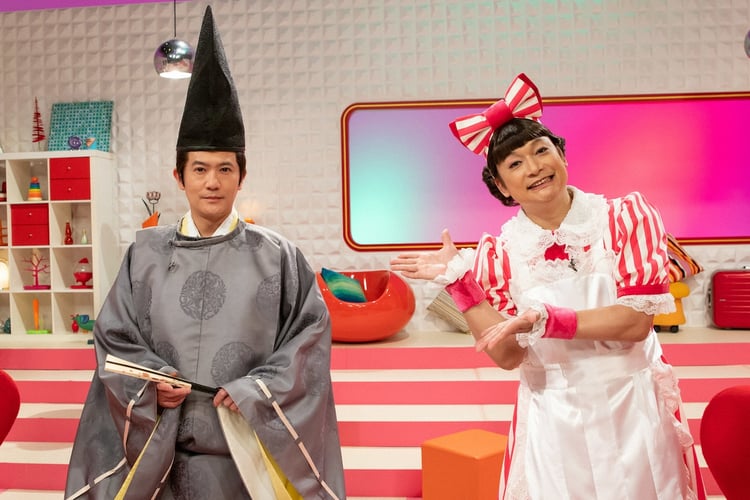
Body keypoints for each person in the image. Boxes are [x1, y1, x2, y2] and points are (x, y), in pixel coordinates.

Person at [65, 6, 345, 499]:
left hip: (247, 448)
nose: (212, 182)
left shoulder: (279, 256)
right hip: (161, 446)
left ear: (242, 176)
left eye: (224, 169)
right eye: (199, 169)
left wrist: (256, 390)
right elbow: (114, 339)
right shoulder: (145, 253)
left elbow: (309, 341)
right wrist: (151, 383)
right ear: (179, 177)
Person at [391, 73, 705, 499]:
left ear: (562, 154)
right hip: (553, 420)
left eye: (541, 151)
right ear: (500, 186)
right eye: (515, 164)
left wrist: (547, 320)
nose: (535, 167)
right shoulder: (499, 254)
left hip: (633, 410)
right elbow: (507, 355)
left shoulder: (625, 218)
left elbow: (635, 323)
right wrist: (460, 283)